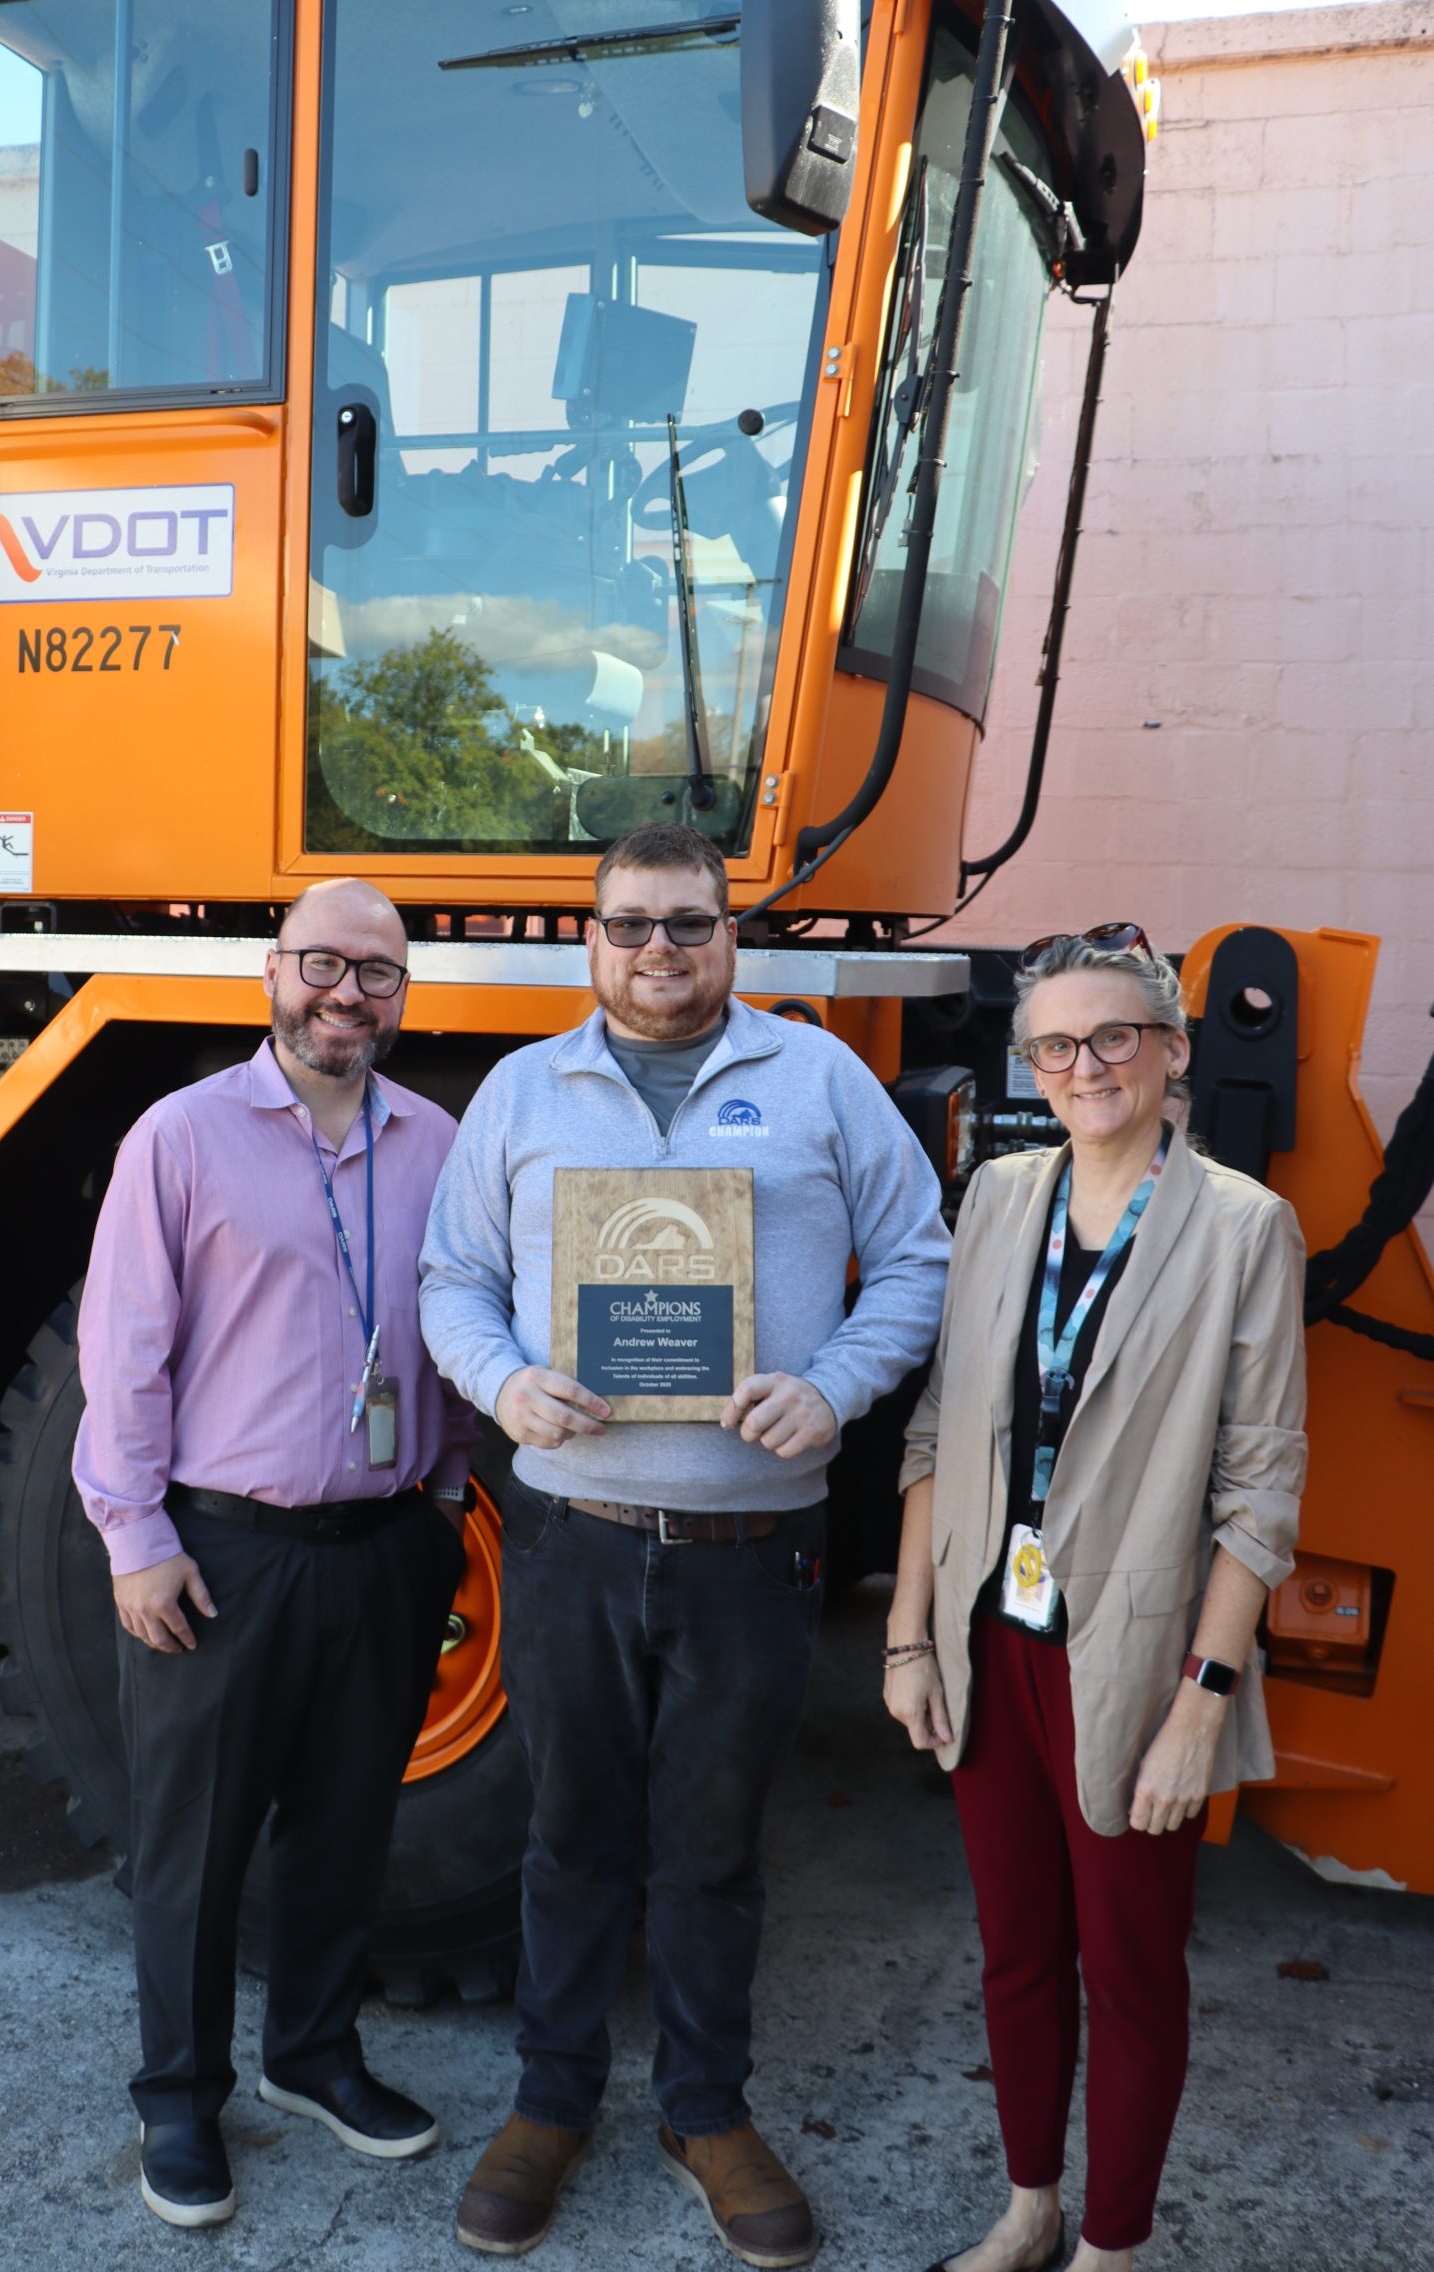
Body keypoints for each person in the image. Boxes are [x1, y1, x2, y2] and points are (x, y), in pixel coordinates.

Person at [419, 822, 950, 2266]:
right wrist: (504, 1384)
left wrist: (834, 1384)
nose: (664, 950)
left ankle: (706, 2112)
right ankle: (551, 2101)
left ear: (733, 939)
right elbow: (451, 1279)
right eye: (636, 925)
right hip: (574, 1536)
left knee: (714, 1851)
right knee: (571, 1836)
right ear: (591, 944)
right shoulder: (526, 1092)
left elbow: (919, 1257)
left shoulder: (823, 1078)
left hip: (753, 1546)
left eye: (692, 925)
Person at [885, 925, 1308, 2272]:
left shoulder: (1244, 1226)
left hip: (1130, 1660)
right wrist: (908, 1634)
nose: (1087, 1064)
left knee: (1129, 1974)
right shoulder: (1000, 1195)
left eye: (1115, 1035)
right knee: (1015, 1950)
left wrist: (1205, 1703)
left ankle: (1112, 2247)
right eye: (1057, 1045)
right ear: (1032, 1064)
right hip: (986, 1636)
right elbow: (938, 1437)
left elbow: (1259, 1491)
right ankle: (1028, 2208)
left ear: (1173, 1051)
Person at [73, 879, 476, 2230]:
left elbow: (462, 1326)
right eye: (323, 963)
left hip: (388, 1544)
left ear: (402, 994)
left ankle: (312, 2056)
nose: (345, 993)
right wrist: (134, 1538)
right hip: (223, 1551)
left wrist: (447, 1498)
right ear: (272, 972)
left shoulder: (438, 1142)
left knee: (348, 1827)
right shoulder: (180, 1137)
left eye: (377, 972)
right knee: (195, 1844)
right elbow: (121, 1354)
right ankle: (181, 2102)